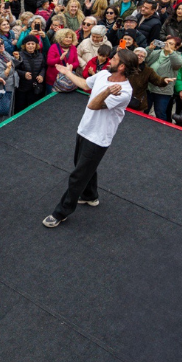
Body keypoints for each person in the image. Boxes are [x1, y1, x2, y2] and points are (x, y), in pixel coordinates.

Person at [42, 49, 137, 228]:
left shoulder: (123, 92)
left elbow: (93, 104)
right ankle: (90, 196)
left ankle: (61, 212)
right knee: (84, 167)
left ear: (122, 66)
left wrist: (108, 91)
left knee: (78, 175)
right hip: (84, 129)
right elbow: (85, 84)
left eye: (114, 59)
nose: (110, 61)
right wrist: (68, 73)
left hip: (99, 139)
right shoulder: (102, 74)